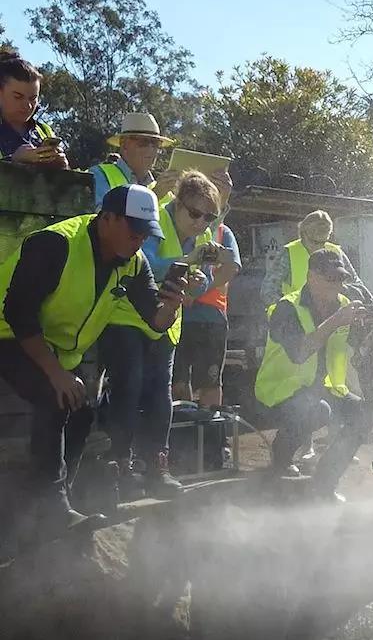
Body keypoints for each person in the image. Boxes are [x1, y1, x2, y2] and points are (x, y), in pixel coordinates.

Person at [0, 185, 186, 534]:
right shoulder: (55, 244)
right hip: (7, 334)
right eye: (134, 231)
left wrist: (173, 305)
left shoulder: (134, 262)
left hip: (50, 344)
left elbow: (155, 320)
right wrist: (56, 374)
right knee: (55, 396)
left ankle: (53, 502)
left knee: (82, 411)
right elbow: (17, 312)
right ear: (107, 218)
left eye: (146, 233)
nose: (140, 240)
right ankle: (52, 508)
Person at [98, 172, 224, 499]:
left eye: (209, 216)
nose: (201, 222)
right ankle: (120, 469)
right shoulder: (154, 221)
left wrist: (200, 283)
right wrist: (188, 261)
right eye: (195, 213)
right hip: (126, 317)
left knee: (160, 397)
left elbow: (205, 279)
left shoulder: (205, 235)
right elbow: (146, 266)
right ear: (178, 204)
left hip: (167, 323)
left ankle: (157, 468)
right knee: (129, 389)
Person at [254, 249, 373, 500]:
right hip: (280, 391)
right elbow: (300, 353)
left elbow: (354, 348)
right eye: (330, 279)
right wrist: (336, 321)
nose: (337, 286)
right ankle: (280, 460)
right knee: (316, 410)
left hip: (324, 388)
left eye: (340, 279)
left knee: (363, 414)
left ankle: (324, 483)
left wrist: (366, 327)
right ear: (312, 277)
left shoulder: (343, 305)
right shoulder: (286, 308)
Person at [172, 173, 241, 408]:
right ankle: (182, 433)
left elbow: (232, 267)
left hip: (212, 315)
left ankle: (213, 439)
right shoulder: (175, 226)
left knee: (211, 381)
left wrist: (198, 291)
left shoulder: (223, 231)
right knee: (178, 380)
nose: (202, 219)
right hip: (178, 316)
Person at [261, 209, 373, 309]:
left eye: (323, 242)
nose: (320, 246)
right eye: (315, 242)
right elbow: (268, 291)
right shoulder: (288, 253)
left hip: (331, 319)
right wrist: (286, 311)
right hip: (298, 321)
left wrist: (371, 304)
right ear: (304, 234)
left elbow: (357, 284)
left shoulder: (336, 252)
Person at [88, 112, 174, 208]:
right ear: (124, 145)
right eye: (143, 142)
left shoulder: (166, 191)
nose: (151, 149)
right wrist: (154, 196)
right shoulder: (99, 175)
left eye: (155, 143)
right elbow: (101, 220)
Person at [0, 52, 68, 168]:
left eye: (33, 98)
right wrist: (12, 161)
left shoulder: (44, 131)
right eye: (18, 97)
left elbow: (67, 183)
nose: (28, 105)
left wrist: (64, 167)